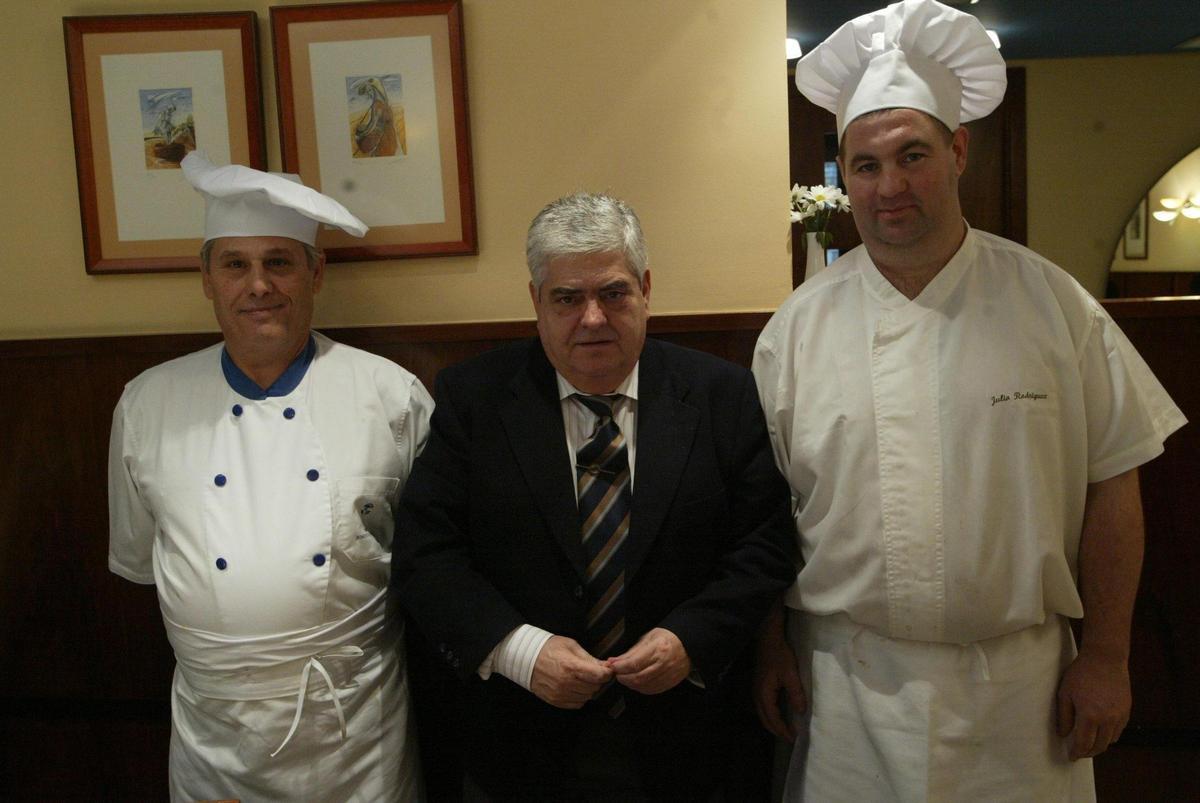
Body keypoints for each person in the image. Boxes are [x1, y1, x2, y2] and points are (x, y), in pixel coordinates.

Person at [751, 1, 1188, 800]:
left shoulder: (1056, 307)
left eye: (912, 155)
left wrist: (1108, 656)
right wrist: (769, 642)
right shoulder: (795, 331)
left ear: (957, 151)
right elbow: (764, 511)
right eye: (866, 165)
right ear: (842, 173)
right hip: (847, 688)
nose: (889, 187)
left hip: (1022, 693)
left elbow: (1113, 486)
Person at [393, 192, 796, 800]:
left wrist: (694, 638)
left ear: (645, 288)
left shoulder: (721, 394)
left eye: (612, 293)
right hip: (520, 742)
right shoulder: (473, 400)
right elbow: (427, 557)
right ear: (536, 301)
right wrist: (520, 651)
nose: (593, 319)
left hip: (690, 740)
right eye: (567, 298)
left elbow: (763, 543)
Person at [107, 152, 433, 801]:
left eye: (278, 261)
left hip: (357, 735)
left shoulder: (393, 397)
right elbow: (140, 560)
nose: (258, 285)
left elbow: (432, 567)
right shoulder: (146, 404)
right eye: (236, 264)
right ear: (206, 277)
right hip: (214, 741)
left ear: (315, 271)